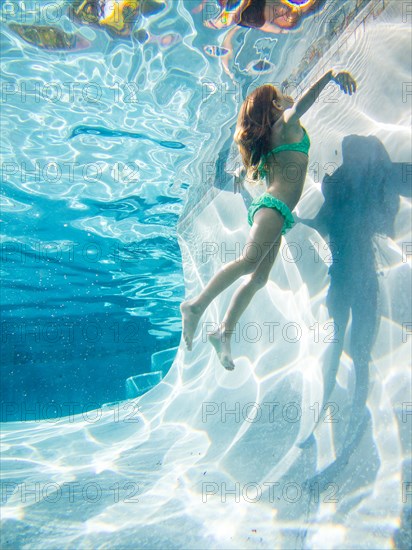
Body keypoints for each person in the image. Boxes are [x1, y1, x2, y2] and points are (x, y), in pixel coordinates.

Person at [180, 69, 357, 370]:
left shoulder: (271, 141)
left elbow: (260, 168)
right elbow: (301, 104)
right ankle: (195, 306)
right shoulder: (286, 125)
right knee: (249, 262)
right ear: (275, 106)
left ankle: (224, 332)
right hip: (273, 208)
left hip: (277, 211)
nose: (286, 98)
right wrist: (329, 75)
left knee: (258, 278)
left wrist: (239, 174)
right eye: (279, 97)